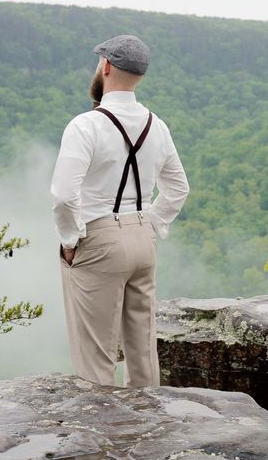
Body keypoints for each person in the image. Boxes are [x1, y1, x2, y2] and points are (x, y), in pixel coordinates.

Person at [50, 34, 189, 387]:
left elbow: (65, 196)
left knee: (95, 352)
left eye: (99, 62)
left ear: (106, 67)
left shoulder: (85, 125)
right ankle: (148, 427)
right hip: (144, 237)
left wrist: (70, 239)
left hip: (98, 238)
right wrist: (152, 222)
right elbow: (178, 189)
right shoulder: (156, 125)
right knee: (142, 347)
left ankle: (101, 437)